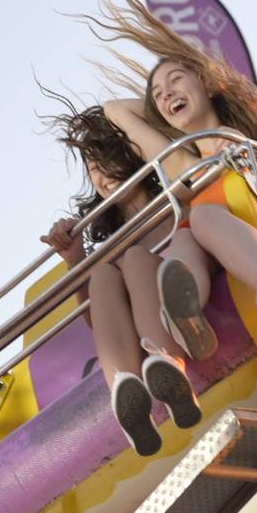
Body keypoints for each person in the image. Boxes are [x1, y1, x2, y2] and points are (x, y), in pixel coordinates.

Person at [77, 0, 257, 360]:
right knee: (189, 231)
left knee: (202, 218)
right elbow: (114, 110)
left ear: (207, 84)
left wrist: (229, 134)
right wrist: (161, 112)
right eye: (158, 94)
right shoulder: (181, 158)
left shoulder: (253, 124)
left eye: (176, 81)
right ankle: (183, 318)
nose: (167, 93)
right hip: (211, 235)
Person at [39, 96, 200, 456]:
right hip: (138, 322)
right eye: (92, 167)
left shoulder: (177, 198)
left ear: (131, 153)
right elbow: (100, 320)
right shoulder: (110, 249)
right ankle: (128, 391)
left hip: (185, 309)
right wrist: (75, 257)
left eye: (106, 159)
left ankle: (168, 365)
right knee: (102, 276)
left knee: (137, 260)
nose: (101, 176)